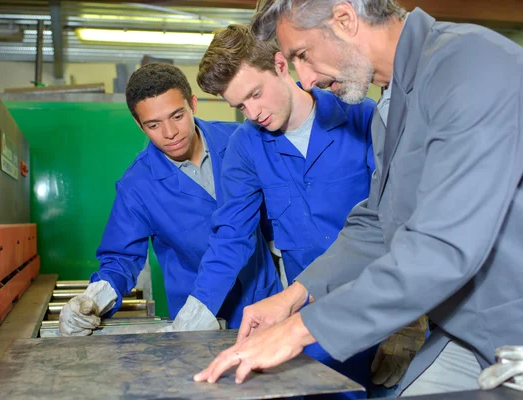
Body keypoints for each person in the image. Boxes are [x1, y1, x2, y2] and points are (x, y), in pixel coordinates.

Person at [194, 0, 523, 397]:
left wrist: (302, 329)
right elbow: (376, 220)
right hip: (467, 328)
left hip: (508, 325)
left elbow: (442, 247)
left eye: (303, 55)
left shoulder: (470, 66)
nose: (307, 79)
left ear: (345, 19)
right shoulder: (393, 101)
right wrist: (294, 297)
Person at [192, 24, 404, 396]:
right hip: (310, 324)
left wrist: (408, 320)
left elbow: (398, 219)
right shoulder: (245, 147)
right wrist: (198, 310)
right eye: (240, 106)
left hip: (380, 309)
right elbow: (231, 236)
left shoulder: (363, 117)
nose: (253, 112)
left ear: (279, 64)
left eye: (255, 94)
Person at [58, 62, 282, 336]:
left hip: (266, 301)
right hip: (196, 322)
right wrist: (93, 299)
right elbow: (121, 258)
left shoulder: (239, 139)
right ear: (139, 125)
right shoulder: (136, 186)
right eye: (153, 124)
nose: (169, 133)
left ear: (193, 104)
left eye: (177, 116)